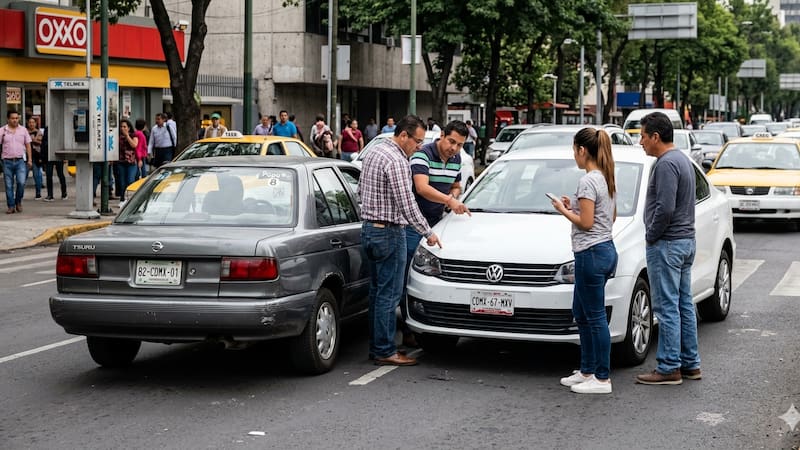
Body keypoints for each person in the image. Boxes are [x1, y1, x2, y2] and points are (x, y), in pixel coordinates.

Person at [358, 115, 441, 366]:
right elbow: (407, 203)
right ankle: (384, 349)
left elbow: (360, 189)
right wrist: (428, 231)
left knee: (376, 292)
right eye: (417, 140)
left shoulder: (374, 151)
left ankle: (377, 347)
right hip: (390, 232)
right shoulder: (396, 160)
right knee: (389, 294)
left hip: (370, 229)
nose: (419, 146)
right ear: (403, 135)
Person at [550, 127, 618, 395]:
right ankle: (587, 370)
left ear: (582, 150)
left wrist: (565, 210)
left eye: (574, 150)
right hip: (603, 250)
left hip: (591, 252)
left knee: (595, 316)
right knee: (582, 313)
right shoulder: (606, 177)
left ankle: (601, 378)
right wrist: (576, 206)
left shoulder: (588, 181)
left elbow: (588, 223)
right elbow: (608, 218)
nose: (574, 156)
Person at [635, 111, 700, 386]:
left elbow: (665, 208)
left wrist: (651, 235)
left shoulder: (665, 164)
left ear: (656, 137)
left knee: (666, 307)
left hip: (669, 243)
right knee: (684, 304)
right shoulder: (683, 160)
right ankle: (690, 363)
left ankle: (669, 367)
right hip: (685, 241)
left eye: (642, 136)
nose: (640, 142)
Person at [402, 120, 472, 347]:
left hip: (438, 224)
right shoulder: (423, 154)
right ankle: (407, 328)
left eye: (459, 145)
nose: (454, 148)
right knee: (409, 276)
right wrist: (449, 200)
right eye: (451, 141)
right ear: (442, 135)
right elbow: (421, 187)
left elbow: (456, 185)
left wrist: (453, 193)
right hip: (413, 224)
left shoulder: (457, 159)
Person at [1, 111, 33, 214]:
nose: (15, 120)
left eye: (16, 118)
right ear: (8, 119)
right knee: (9, 185)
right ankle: (11, 206)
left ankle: (18, 201)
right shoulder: (2, 130)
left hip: (20, 161)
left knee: (21, 182)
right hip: (7, 161)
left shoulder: (23, 130)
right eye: (13, 118)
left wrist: (30, 159)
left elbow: (28, 145)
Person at [41, 127, 68, 202]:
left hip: (57, 154)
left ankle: (63, 192)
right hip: (49, 155)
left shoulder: (59, 129)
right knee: (49, 175)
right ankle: (50, 194)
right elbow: (43, 143)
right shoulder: (48, 129)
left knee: (60, 174)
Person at [117, 119, 139, 203]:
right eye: (121, 127)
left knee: (130, 180)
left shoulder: (134, 135)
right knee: (122, 182)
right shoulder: (118, 137)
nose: (122, 128)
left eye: (124, 127)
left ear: (129, 128)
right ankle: (122, 199)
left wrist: (127, 136)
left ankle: (130, 199)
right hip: (121, 162)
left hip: (131, 162)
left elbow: (134, 145)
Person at [26, 117, 45, 200]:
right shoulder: (25, 132)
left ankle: (38, 193)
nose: (31, 124)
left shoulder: (39, 132)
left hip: (36, 156)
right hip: (25, 156)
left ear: (35, 124)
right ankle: (19, 193)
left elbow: (41, 142)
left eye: (33, 122)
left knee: (36, 175)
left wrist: (32, 140)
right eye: (30, 122)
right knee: (23, 176)